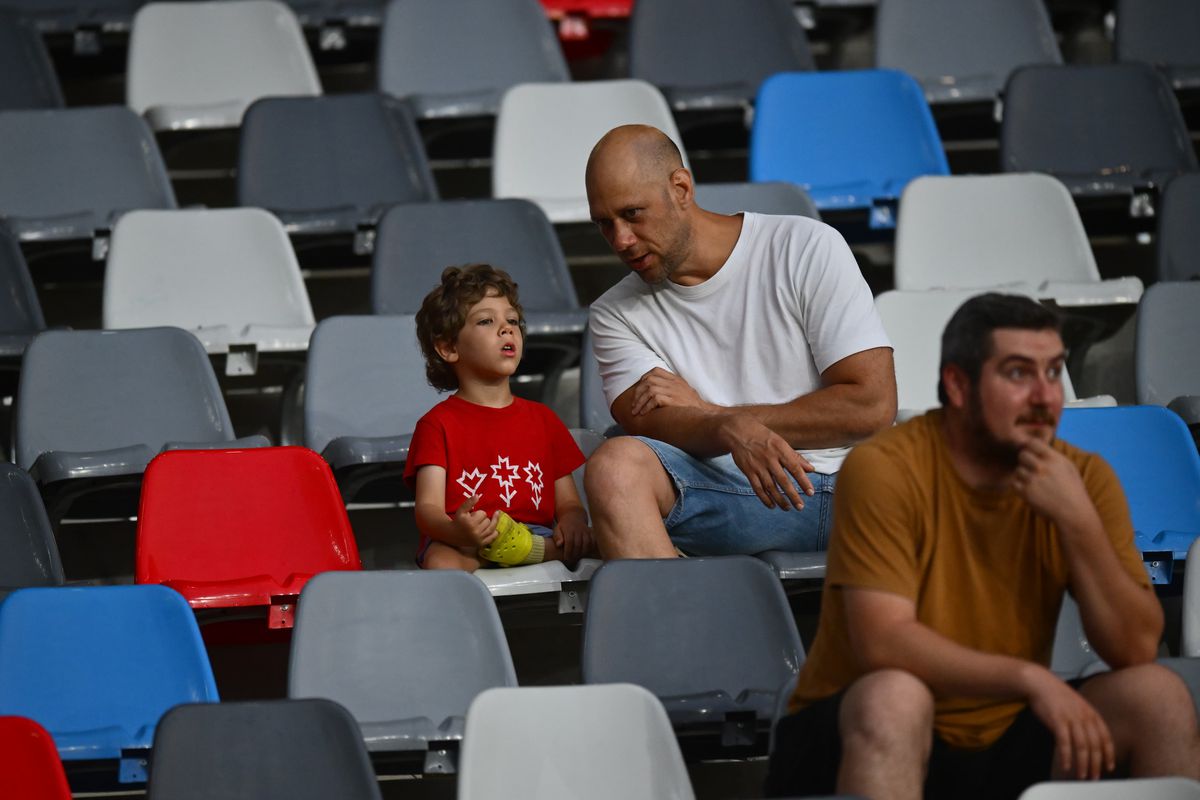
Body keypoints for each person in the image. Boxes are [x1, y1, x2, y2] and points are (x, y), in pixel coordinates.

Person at [765, 293, 1200, 799]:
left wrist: (1080, 522)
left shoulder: (1081, 478)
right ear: (958, 385)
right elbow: (885, 644)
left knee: (1158, 697)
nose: (1045, 396)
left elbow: (1135, 648)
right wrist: (1030, 679)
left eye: (1052, 372)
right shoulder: (886, 468)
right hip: (857, 724)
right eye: (1018, 374)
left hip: (1000, 728)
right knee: (895, 697)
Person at [582, 124, 896, 558]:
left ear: (681, 188)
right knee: (615, 468)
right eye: (605, 224)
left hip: (856, 487)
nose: (621, 240)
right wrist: (731, 431)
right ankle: (680, 606)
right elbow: (652, 425)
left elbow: (872, 406)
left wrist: (718, 416)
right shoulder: (612, 313)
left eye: (633, 214)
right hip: (736, 498)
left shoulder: (805, 246)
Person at [404, 264, 593, 571]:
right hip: (467, 540)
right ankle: (540, 555)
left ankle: (535, 550)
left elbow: (569, 502)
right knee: (441, 560)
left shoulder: (544, 419)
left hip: (536, 534)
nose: (507, 329)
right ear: (449, 347)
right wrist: (457, 531)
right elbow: (427, 509)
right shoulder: (436, 424)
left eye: (512, 321)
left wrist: (573, 520)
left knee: (603, 540)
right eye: (486, 321)